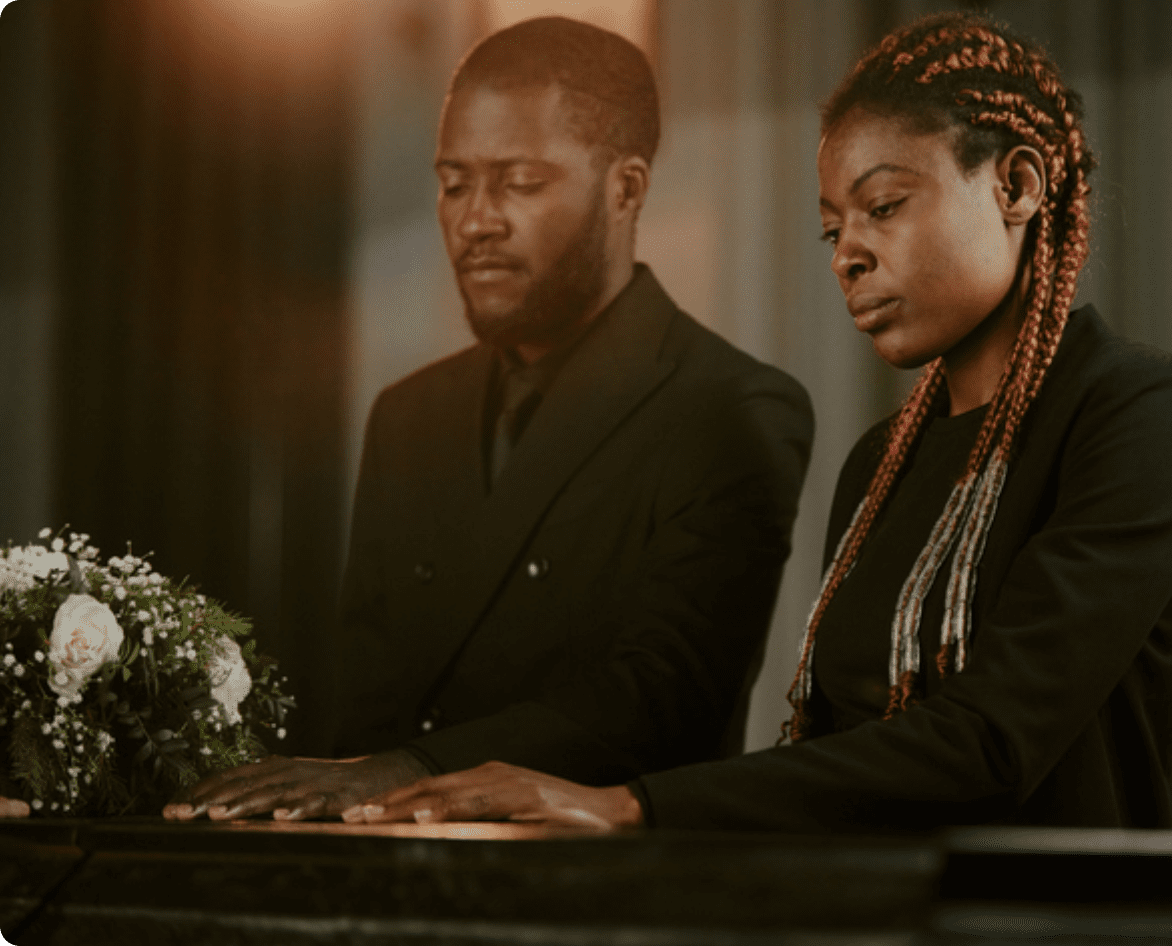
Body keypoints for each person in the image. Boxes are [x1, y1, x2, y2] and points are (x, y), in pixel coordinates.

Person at [339, 10, 1172, 834]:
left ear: (1017, 185)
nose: (849, 255)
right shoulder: (880, 463)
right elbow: (827, 756)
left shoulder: (1138, 414)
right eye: (832, 232)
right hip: (865, 910)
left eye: (884, 206)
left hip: (1056, 913)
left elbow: (993, 742)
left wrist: (630, 806)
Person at [155, 17, 813, 823]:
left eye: (520, 182)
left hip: (604, 878)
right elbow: (366, 708)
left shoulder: (730, 405)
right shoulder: (408, 415)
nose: (475, 220)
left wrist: (399, 773)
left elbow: (663, 697)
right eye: (455, 182)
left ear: (626, 188)